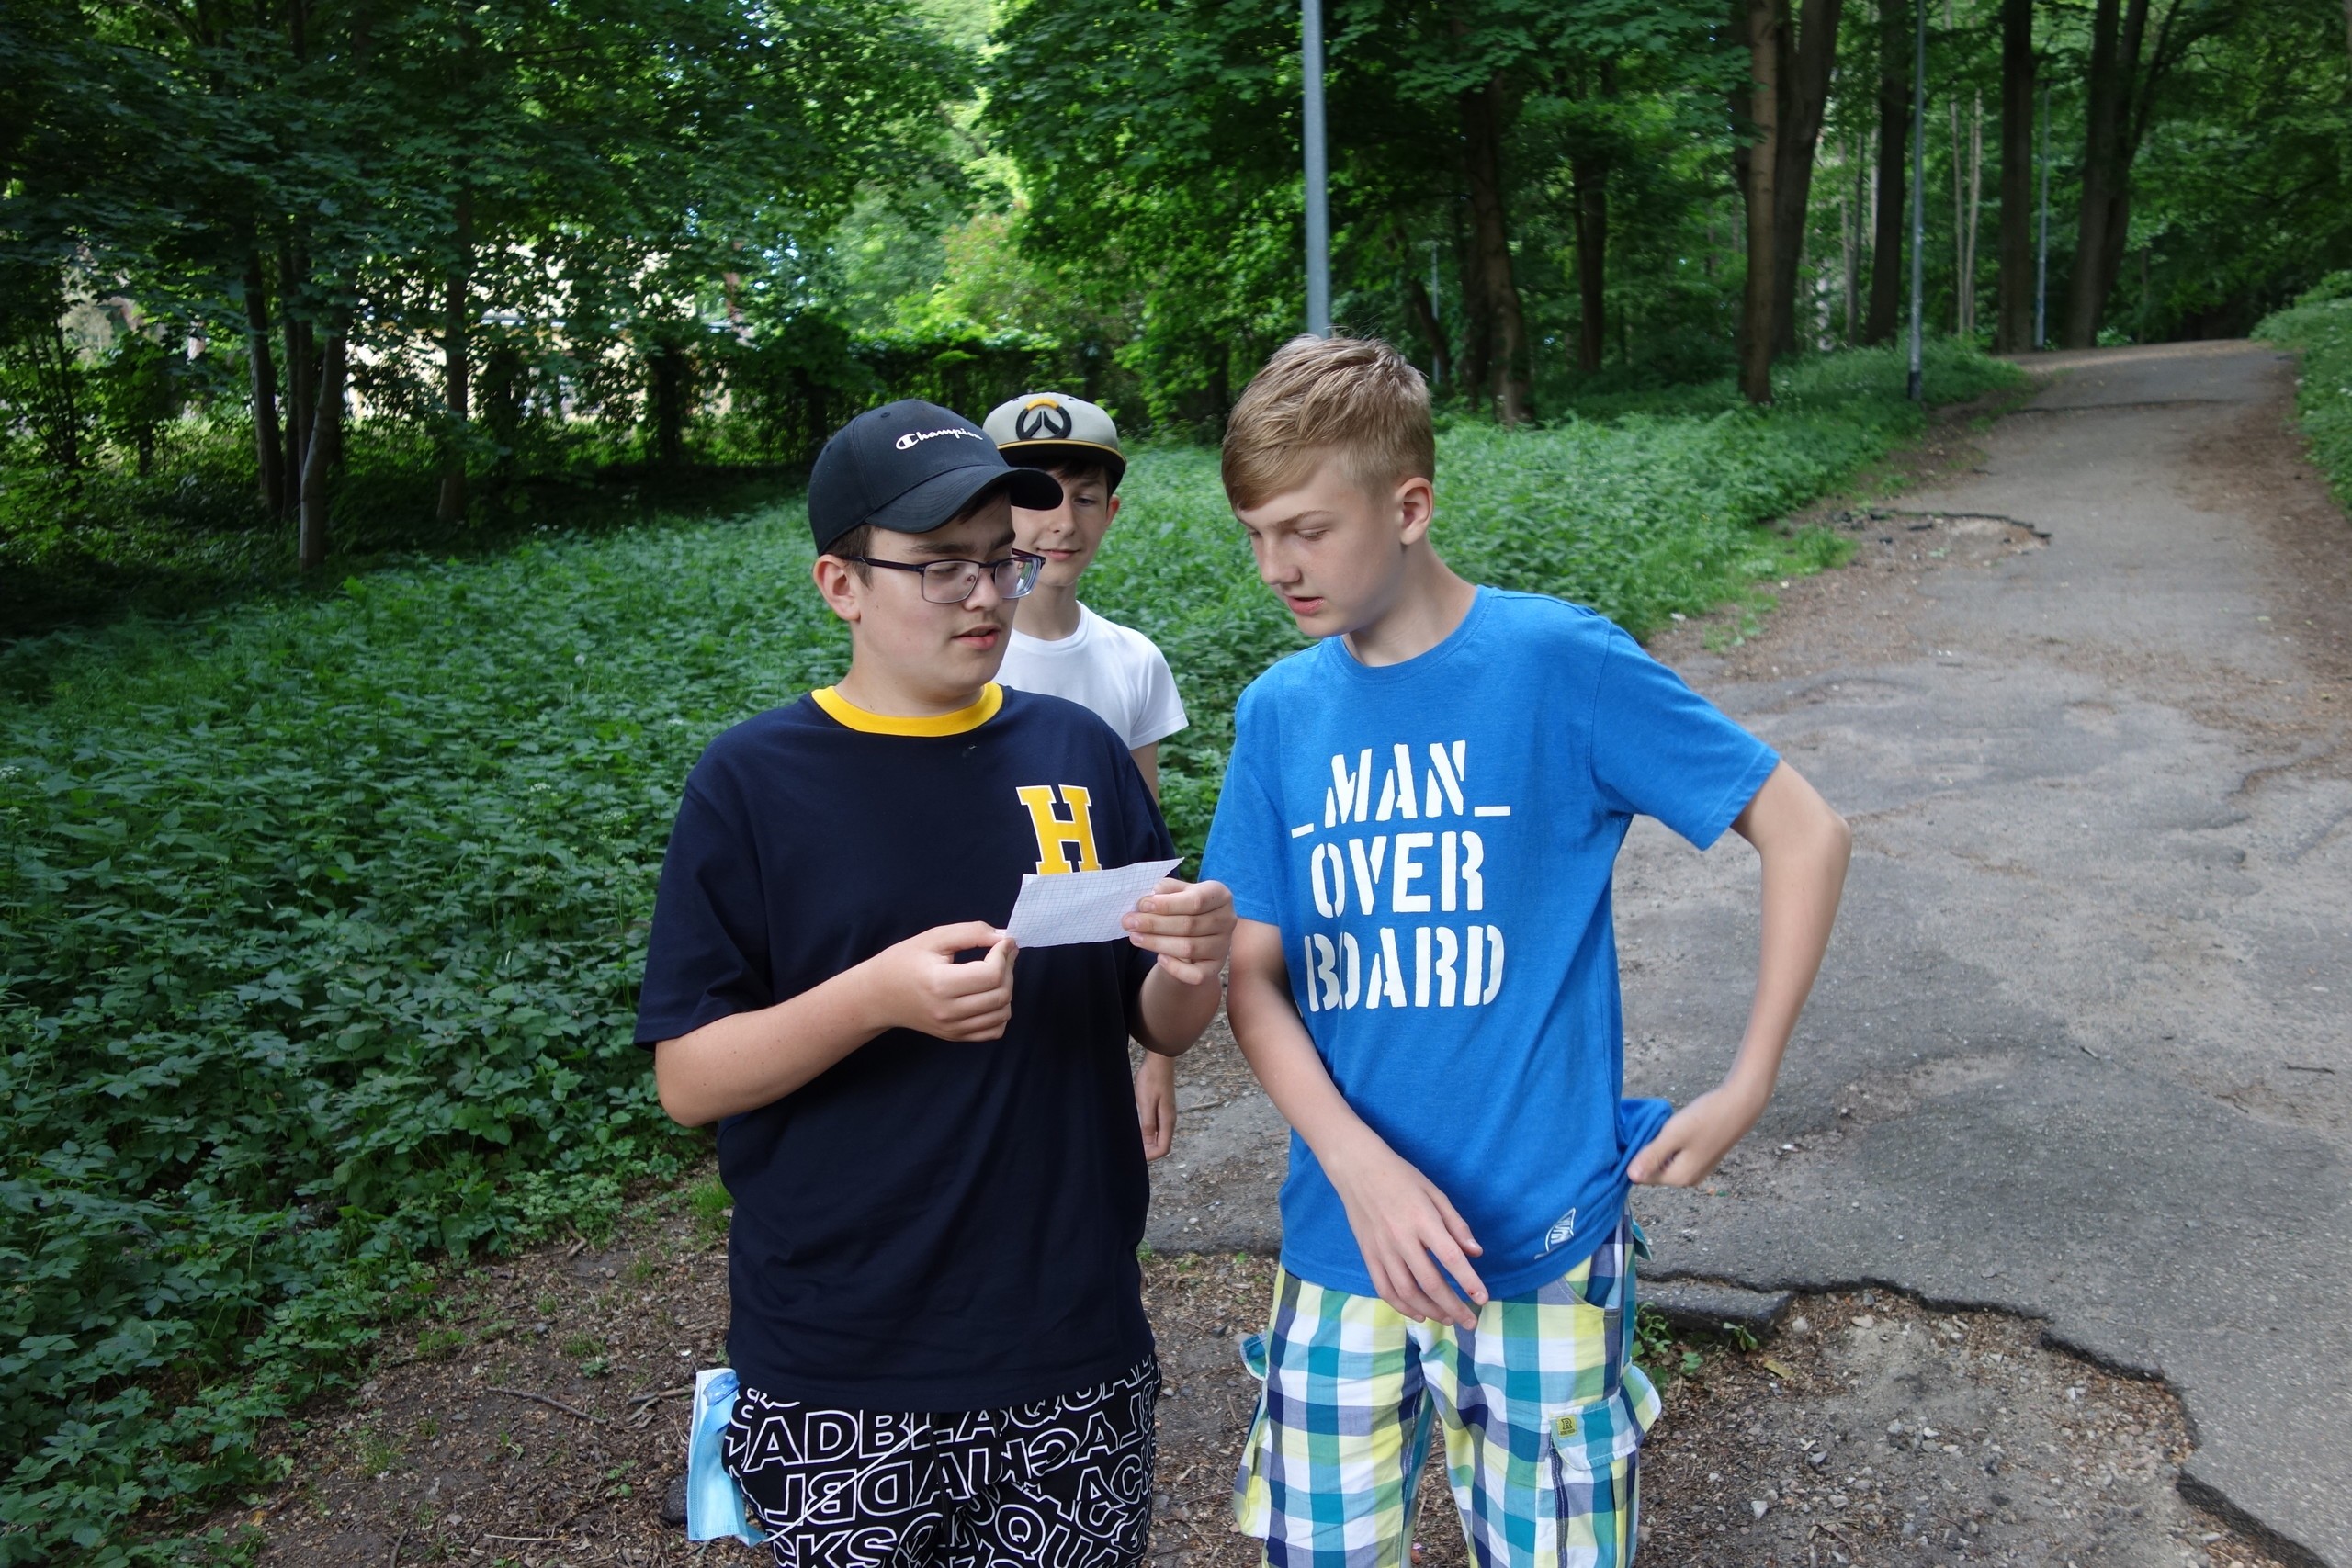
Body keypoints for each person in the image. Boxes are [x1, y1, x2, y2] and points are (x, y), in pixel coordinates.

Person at [1199, 336, 1852, 1567]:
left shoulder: (1557, 663)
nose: (1276, 566)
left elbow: (1806, 830)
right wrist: (1357, 1164)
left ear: (1409, 507)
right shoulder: (1280, 712)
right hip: (1343, 1240)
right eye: (1255, 534)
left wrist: (1749, 1079)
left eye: (1306, 530)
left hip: (1545, 1248)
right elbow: (1252, 976)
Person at [636, 398, 1236, 1568]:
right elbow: (690, 1079)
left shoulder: (1076, 753)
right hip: (841, 1361)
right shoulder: (754, 781)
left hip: (1068, 1335)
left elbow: (1150, 1014)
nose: (984, 595)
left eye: (1002, 560)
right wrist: (875, 998)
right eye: (941, 565)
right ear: (841, 583)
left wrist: (1191, 967)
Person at [983, 390, 1191, 1160]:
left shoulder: (1133, 660)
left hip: (1091, 996)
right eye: (1034, 497)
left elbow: (1147, 869)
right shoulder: (964, 653)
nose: (1062, 522)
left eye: (1085, 497)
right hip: (979, 985)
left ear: (1113, 511)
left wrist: (1159, 1054)